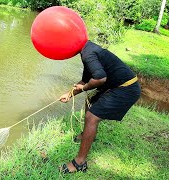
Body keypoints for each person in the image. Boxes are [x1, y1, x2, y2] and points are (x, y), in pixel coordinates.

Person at [59, 40, 141, 173]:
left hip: (127, 89)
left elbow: (100, 79)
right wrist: (69, 94)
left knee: (91, 117)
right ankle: (87, 134)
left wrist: (84, 87)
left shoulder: (88, 53)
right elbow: (86, 80)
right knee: (90, 100)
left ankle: (79, 163)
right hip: (119, 85)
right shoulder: (87, 49)